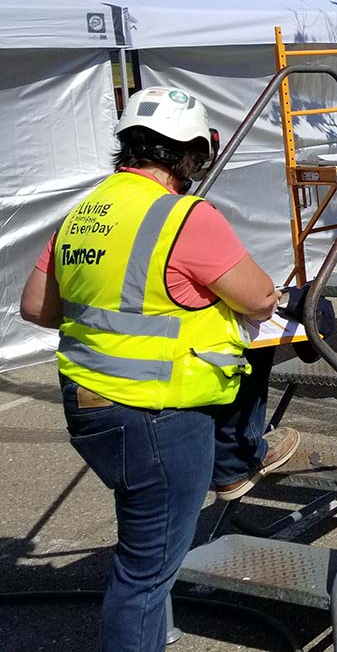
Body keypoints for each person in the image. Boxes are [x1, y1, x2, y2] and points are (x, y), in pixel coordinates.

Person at [19, 86, 295, 652]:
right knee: (145, 575)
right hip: (157, 415)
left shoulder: (86, 209)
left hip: (90, 405)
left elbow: (36, 307)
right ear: (189, 154)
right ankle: (239, 461)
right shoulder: (185, 216)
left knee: (142, 550)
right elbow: (260, 296)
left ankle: (235, 462)